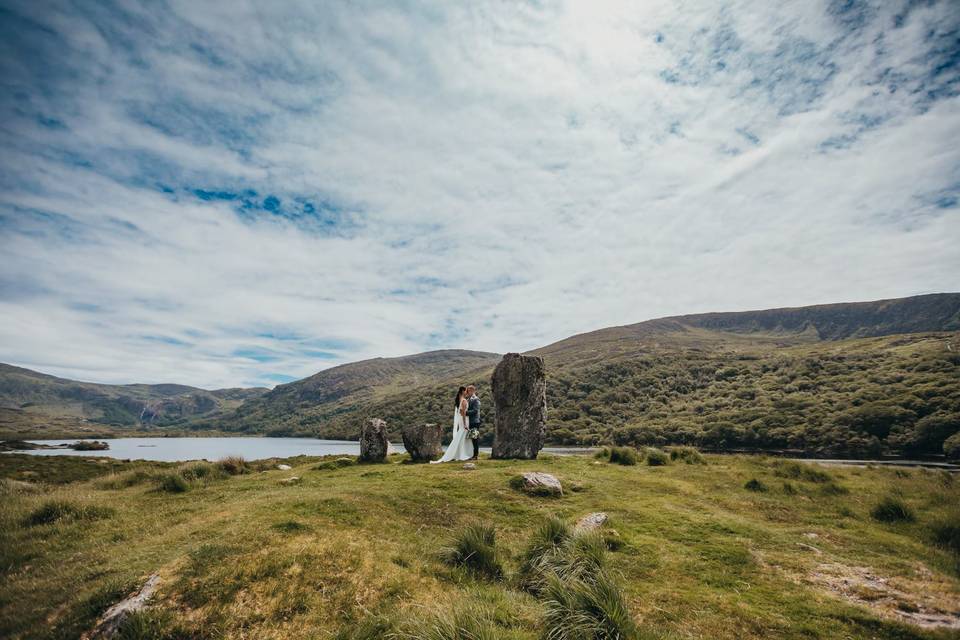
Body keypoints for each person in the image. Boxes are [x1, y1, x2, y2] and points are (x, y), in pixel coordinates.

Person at [431, 385, 473, 463]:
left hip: (462, 420)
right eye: (466, 391)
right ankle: (462, 453)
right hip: (464, 420)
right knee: (463, 436)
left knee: (461, 436)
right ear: (463, 391)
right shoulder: (464, 401)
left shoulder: (460, 400)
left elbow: (461, 412)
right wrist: (464, 424)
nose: (466, 392)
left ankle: (460, 452)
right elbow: (463, 413)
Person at [465, 385, 481, 460]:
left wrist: (465, 413)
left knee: (475, 438)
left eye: (469, 391)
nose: (467, 392)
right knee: (471, 439)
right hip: (470, 422)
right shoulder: (468, 399)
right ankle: (472, 454)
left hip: (475, 421)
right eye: (467, 391)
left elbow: (475, 411)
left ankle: (475, 455)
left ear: (473, 391)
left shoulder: (476, 399)